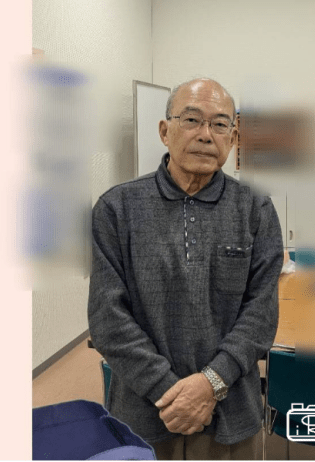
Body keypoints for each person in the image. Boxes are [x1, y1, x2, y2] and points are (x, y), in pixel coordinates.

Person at [88, 78, 284, 460]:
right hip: (144, 413)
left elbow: (261, 315)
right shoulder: (117, 209)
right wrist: (169, 391)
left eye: (220, 124)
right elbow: (107, 318)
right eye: (192, 120)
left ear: (233, 137)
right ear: (165, 131)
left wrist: (211, 383)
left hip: (230, 417)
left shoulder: (255, 209)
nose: (206, 135)